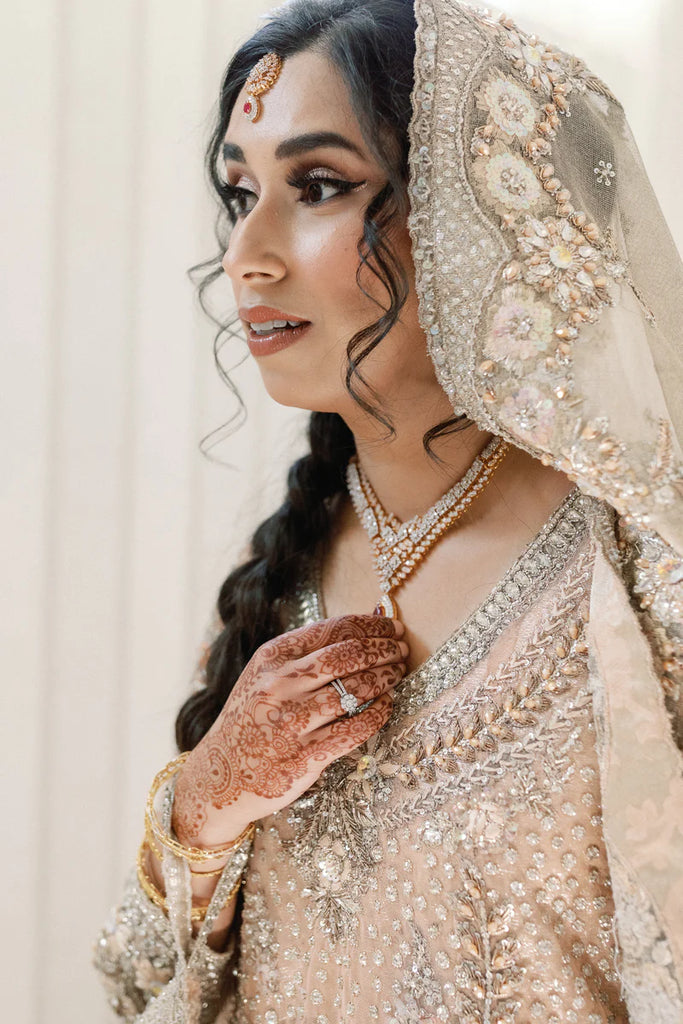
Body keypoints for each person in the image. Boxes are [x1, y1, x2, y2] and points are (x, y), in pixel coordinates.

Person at [93, 0, 683, 1020]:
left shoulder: (634, 567)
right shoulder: (278, 577)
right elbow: (132, 977)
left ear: (475, 204)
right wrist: (202, 806)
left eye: (316, 186)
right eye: (241, 192)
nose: (247, 254)